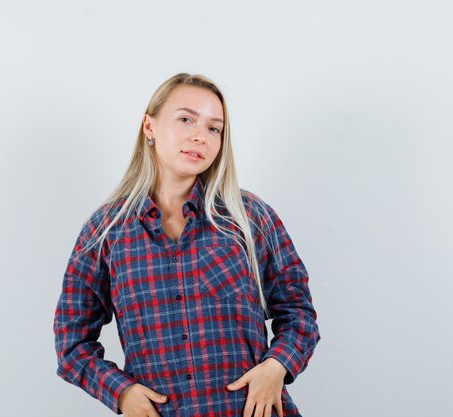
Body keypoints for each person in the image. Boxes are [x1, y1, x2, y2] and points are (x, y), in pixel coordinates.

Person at [53, 72, 320, 417]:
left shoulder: (250, 218)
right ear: (149, 126)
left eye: (214, 128)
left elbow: (298, 312)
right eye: (186, 119)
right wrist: (122, 392)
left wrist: (276, 366)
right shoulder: (106, 231)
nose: (200, 137)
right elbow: (72, 343)